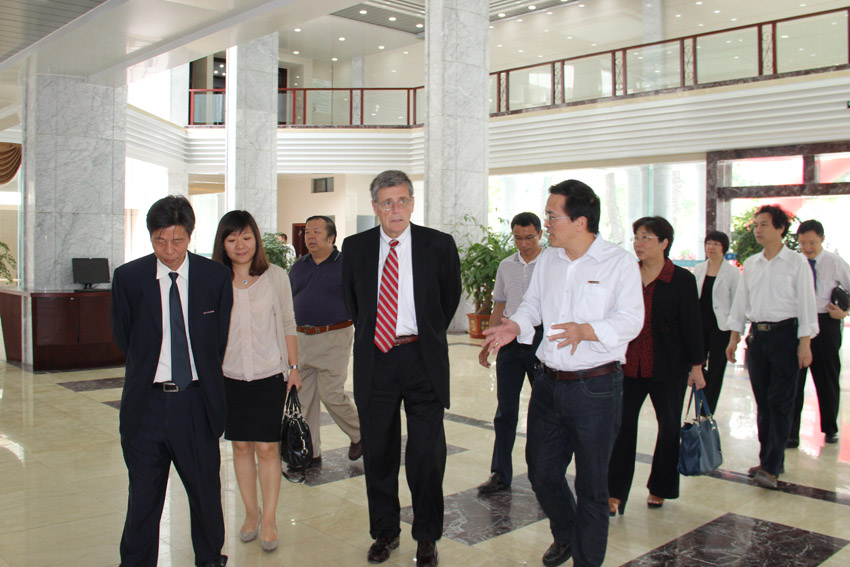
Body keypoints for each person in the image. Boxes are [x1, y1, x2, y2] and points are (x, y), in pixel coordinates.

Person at [482, 180, 643, 567]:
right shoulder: (549, 261)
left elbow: (632, 320)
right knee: (541, 472)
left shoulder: (618, 262)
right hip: (549, 384)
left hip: (596, 387)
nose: (547, 224)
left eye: (553, 216)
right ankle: (568, 533)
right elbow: (532, 305)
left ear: (580, 221)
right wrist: (514, 325)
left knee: (592, 485)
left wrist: (587, 330)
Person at [341, 170, 461, 567]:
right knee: (379, 451)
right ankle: (385, 532)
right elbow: (353, 303)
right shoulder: (355, 247)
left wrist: (423, 334)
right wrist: (379, 335)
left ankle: (426, 535)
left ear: (412, 202)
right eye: (387, 202)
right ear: (375, 207)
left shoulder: (438, 244)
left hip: (422, 359)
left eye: (403, 200)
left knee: (426, 454)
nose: (396, 209)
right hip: (376, 359)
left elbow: (448, 298)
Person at [111, 195, 232, 567]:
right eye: (159, 241)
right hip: (146, 406)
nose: (168, 249)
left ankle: (209, 559)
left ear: (190, 236)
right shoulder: (129, 278)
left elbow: (217, 340)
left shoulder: (214, 277)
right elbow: (124, 337)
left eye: (177, 241)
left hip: (195, 404)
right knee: (143, 497)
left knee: (205, 494)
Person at [211, 210, 301, 553]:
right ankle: (251, 513)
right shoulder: (215, 280)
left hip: (269, 374)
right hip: (229, 375)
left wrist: (294, 367)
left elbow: (288, 323)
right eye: (232, 239)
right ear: (222, 244)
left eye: (247, 237)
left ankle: (269, 518)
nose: (240, 245)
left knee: (267, 448)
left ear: (256, 240)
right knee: (240, 447)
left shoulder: (275, 276)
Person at [608, 217, 705, 516]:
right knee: (621, 428)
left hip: (669, 367)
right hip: (629, 366)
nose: (638, 243)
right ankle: (614, 492)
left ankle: (660, 487)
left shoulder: (682, 279)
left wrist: (697, 366)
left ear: (664, 243)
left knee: (668, 429)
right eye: (636, 237)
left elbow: (692, 324)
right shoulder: (626, 274)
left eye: (646, 237)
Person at [726, 205, 818, 490]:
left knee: (780, 402)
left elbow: (807, 303)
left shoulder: (796, 262)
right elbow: (741, 301)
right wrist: (734, 336)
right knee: (764, 403)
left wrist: (805, 343)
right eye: (756, 225)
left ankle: (771, 465)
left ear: (780, 228)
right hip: (758, 338)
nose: (758, 230)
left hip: (786, 337)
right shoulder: (752, 263)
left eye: (764, 224)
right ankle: (769, 459)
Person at [477, 212, 544, 493]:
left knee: (542, 411)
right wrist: (488, 343)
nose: (524, 244)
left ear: (540, 234)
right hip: (510, 341)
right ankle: (500, 473)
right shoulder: (506, 265)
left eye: (529, 237)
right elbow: (500, 305)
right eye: (518, 238)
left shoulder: (551, 264)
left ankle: (541, 474)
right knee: (505, 409)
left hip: (541, 341)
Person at [289, 215, 362, 463]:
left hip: (334, 336)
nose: (310, 236)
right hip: (302, 338)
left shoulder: (346, 264)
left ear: (331, 237)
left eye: (317, 232)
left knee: (331, 394)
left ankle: (360, 434)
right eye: (308, 232)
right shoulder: (299, 266)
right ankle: (311, 452)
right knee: (305, 399)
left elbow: (359, 299)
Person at [788, 219, 850, 447]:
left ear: (822, 239)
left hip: (826, 325)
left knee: (827, 379)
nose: (807, 248)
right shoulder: (794, 263)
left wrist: (844, 312)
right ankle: (792, 433)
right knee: (795, 381)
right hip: (799, 325)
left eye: (812, 242)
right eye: (803, 243)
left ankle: (830, 429)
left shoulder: (835, 262)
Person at [693, 230, 740, 414]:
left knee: (716, 369)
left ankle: (707, 410)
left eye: (716, 244)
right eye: (708, 243)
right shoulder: (699, 269)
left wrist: (735, 334)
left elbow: (737, 303)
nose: (711, 247)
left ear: (724, 248)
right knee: (698, 366)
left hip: (721, 328)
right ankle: (700, 402)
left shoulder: (732, 272)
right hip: (700, 326)